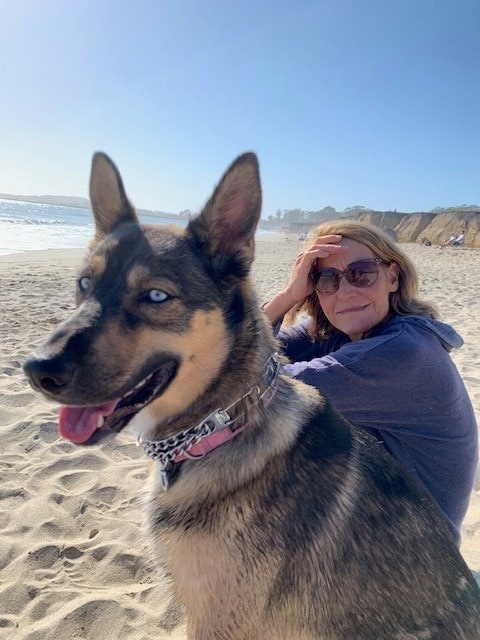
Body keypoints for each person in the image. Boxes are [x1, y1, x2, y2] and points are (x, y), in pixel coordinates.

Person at [263, 219, 478, 545]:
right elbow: (242, 356)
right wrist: (288, 295)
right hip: (385, 515)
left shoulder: (401, 352)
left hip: (411, 554)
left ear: (392, 277)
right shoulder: (346, 330)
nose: (346, 291)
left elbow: (250, 390)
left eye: (361, 273)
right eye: (326, 279)